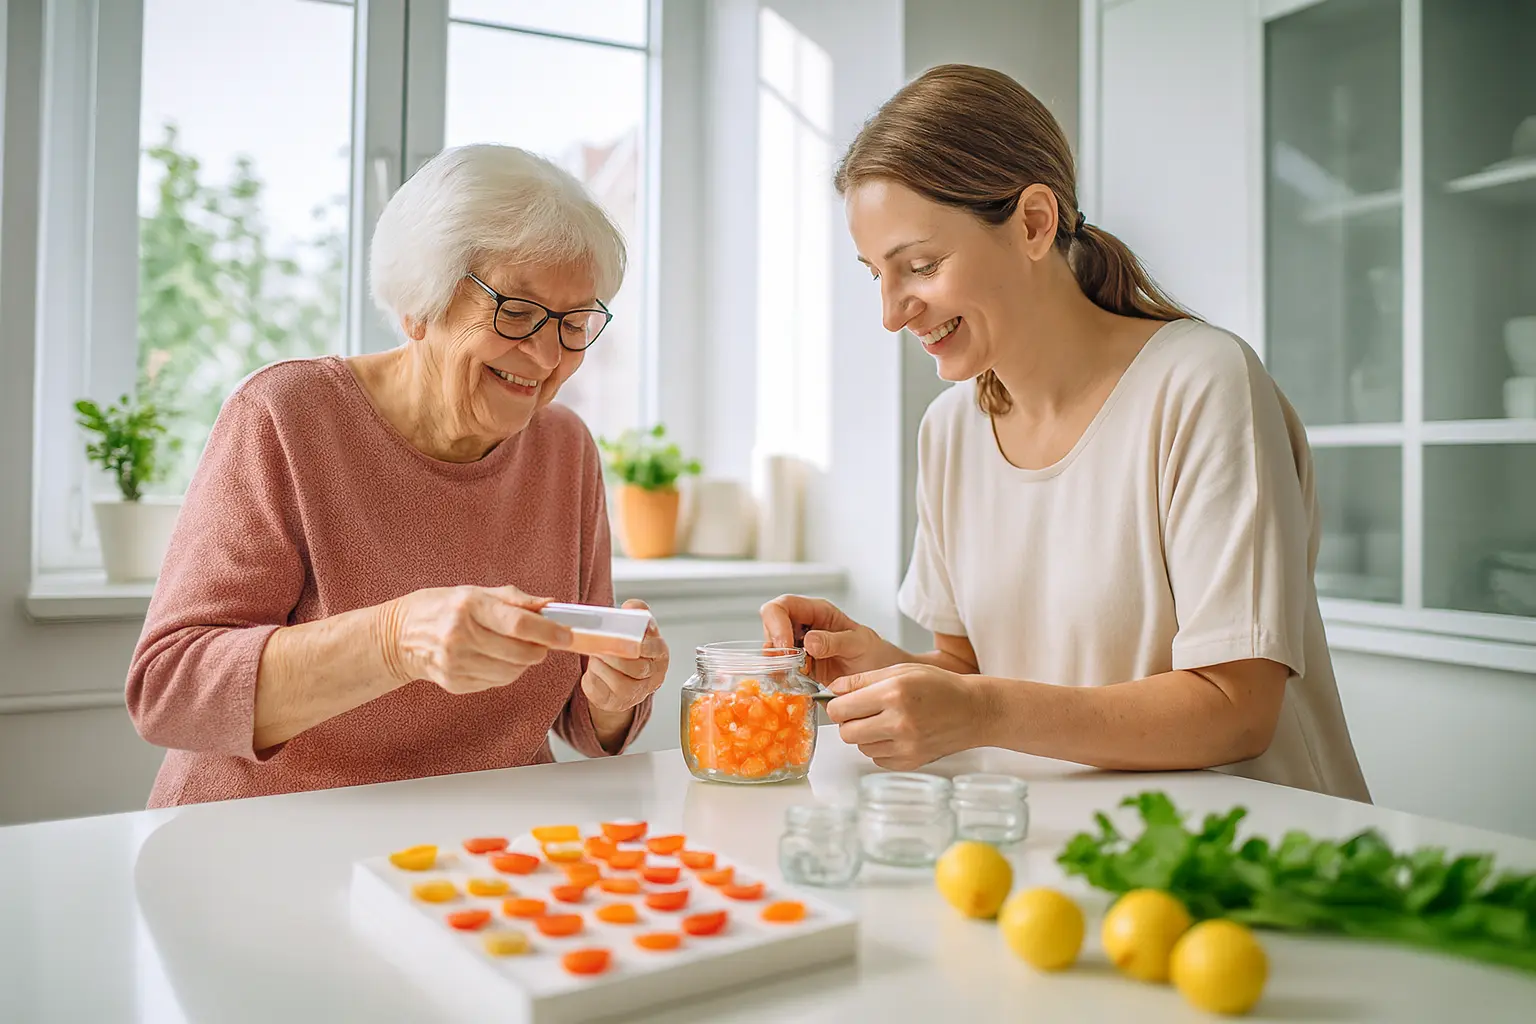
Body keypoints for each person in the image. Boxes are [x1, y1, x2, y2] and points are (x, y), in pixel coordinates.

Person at [761, 65, 1370, 801]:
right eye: (875, 276)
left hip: (1249, 860)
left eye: (920, 266)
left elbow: (1236, 711)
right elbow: (972, 670)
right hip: (1072, 851)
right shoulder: (951, 431)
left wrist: (980, 709)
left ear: (1033, 223)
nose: (893, 314)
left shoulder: (1202, 383)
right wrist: (879, 668)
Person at [126, 144, 668, 807]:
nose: (549, 354)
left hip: (480, 850)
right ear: (420, 305)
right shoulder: (286, 417)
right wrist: (393, 640)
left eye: (574, 321)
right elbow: (170, 692)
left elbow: (581, 720)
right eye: (518, 313)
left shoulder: (564, 448)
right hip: (266, 841)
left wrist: (616, 690)